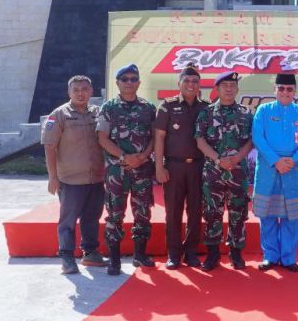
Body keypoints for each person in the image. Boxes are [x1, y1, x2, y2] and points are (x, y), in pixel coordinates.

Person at [41, 75, 106, 275]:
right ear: (69, 92)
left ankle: (91, 253)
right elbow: (49, 147)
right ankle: (67, 257)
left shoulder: (97, 113)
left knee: (92, 217)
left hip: (96, 177)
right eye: (76, 90)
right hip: (70, 180)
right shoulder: (59, 115)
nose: (80, 93)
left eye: (84, 89)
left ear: (91, 91)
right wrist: (53, 177)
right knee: (68, 221)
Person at [251, 73, 298, 273]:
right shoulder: (263, 110)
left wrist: (293, 161)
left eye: (289, 89)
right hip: (269, 168)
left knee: (291, 217)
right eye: (281, 88)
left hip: (293, 170)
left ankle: (288, 258)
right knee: (267, 216)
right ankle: (270, 256)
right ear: (275, 90)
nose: (285, 92)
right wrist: (276, 161)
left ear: (295, 91)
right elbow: (258, 138)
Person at [96, 63, 157, 276]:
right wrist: (124, 157)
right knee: (115, 214)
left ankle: (140, 254)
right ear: (117, 83)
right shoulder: (109, 108)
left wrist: (143, 156)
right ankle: (114, 260)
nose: (129, 83)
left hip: (142, 169)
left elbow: (154, 138)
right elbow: (102, 138)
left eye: (133, 79)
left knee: (143, 212)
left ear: (139, 83)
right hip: (117, 171)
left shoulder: (148, 108)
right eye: (125, 79)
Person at [195, 71, 254, 271]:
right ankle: (213, 254)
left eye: (232, 85)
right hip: (214, 171)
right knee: (212, 212)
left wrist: (236, 158)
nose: (229, 89)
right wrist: (218, 160)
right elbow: (200, 140)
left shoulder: (246, 113)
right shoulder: (206, 113)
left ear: (237, 89)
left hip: (238, 171)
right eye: (225, 86)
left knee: (239, 212)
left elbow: (251, 140)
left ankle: (236, 253)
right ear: (217, 89)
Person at [154, 63, 209, 269]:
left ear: (200, 85)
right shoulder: (167, 106)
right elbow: (159, 138)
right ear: (179, 83)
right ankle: (174, 253)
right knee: (173, 211)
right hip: (174, 167)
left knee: (195, 211)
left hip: (198, 166)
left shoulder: (206, 108)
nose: (190, 84)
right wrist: (159, 167)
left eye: (195, 81)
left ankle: (191, 252)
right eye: (186, 81)